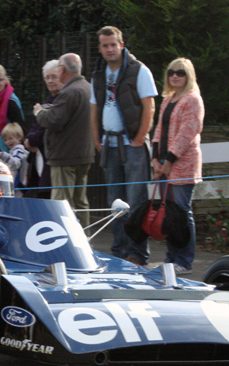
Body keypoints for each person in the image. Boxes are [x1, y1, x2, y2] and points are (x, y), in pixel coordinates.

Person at [91, 25, 157, 265]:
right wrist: (97, 140)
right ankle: (119, 251)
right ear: (100, 48)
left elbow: (149, 106)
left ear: (121, 44)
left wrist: (139, 139)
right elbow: (94, 108)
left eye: (113, 44)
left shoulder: (139, 70)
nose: (109, 49)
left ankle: (137, 253)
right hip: (109, 143)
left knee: (136, 201)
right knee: (115, 202)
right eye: (105, 45)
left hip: (133, 144)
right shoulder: (98, 73)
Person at [151, 58, 204, 275]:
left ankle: (184, 260)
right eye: (171, 72)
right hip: (163, 164)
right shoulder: (168, 99)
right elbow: (158, 130)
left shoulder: (193, 100)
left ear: (188, 75)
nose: (175, 76)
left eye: (180, 72)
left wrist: (169, 160)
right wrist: (155, 159)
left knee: (181, 213)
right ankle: (171, 258)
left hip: (182, 164)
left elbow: (187, 133)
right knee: (169, 214)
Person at [34, 53, 94, 227]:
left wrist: (39, 112)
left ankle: (64, 247)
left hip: (64, 157)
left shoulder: (68, 92)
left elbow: (54, 121)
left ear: (62, 69)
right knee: (80, 202)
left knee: (61, 204)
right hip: (84, 155)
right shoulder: (87, 87)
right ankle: (86, 240)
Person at [24, 60, 60, 199]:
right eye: (47, 77)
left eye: (54, 77)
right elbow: (35, 127)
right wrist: (29, 139)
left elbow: (49, 130)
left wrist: (32, 140)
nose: (50, 81)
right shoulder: (47, 101)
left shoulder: (61, 101)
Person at [0, 123, 28, 196]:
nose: (8, 142)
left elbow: (15, 164)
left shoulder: (19, 151)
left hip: (18, 186)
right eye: (5, 140)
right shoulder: (13, 152)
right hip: (15, 186)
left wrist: (3, 155)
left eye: (10, 138)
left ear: (19, 137)